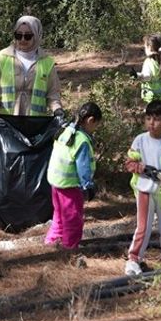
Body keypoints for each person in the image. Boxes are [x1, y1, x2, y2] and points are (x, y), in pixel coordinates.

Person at [124, 100, 161, 275]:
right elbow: (130, 162)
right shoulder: (140, 140)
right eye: (148, 118)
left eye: (157, 119)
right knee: (143, 226)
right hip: (145, 190)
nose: (151, 122)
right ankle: (134, 259)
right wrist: (140, 168)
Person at [45, 102, 101, 250]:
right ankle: (70, 248)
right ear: (90, 120)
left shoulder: (66, 130)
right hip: (69, 185)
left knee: (59, 215)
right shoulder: (81, 140)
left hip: (56, 181)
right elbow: (83, 167)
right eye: (96, 125)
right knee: (73, 219)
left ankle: (52, 241)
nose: (95, 129)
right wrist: (87, 186)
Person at [0, 15, 63, 119]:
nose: (22, 39)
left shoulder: (47, 62)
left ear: (36, 35)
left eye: (28, 36)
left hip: (35, 124)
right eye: (18, 35)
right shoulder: (2, 58)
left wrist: (57, 109)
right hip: (6, 122)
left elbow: (53, 92)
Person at [136, 34, 161, 104]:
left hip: (154, 99)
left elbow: (146, 77)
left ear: (149, 47)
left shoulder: (149, 61)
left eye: (145, 47)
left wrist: (137, 75)